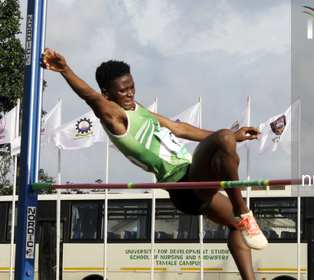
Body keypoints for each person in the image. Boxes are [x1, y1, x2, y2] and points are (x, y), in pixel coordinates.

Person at [42, 48, 267, 280]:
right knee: (224, 139)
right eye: (123, 91)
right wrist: (65, 70)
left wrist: (236, 136)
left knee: (234, 221)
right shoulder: (114, 116)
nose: (130, 94)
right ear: (107, 94)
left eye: (131, 87)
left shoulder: (136, 108)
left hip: (192, 177)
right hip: (183, 184)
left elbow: (179, 128)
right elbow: (89, 96)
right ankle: (243, 212)